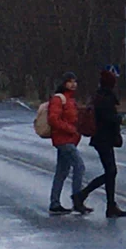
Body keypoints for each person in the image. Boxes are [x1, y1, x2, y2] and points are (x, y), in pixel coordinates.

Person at [74, 70, 126, 218]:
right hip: (104, 138)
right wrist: (118, 118)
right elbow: (108, 118)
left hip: (101, 139)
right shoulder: (106, 98)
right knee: (111, 172)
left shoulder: (99, 96)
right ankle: (83, 195)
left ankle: (110, 205)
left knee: (111, 172)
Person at [48, 72, 91, 215]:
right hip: (63, 139)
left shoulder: (70, 100)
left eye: (75, 81)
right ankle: (77, 201)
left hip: (69, 139)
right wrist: (71, 129)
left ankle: (55, 203)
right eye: (69, 81)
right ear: (64, 83)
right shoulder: (59, 99)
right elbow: (53, 119)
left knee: (62, 171)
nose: (73, 84)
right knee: (79, 166)